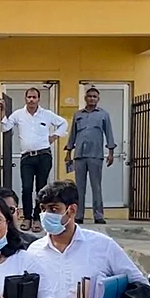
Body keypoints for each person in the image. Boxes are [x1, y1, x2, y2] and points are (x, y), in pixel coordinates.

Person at [0, 88, 68, 234]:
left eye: (34, 97)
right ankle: (27, 217)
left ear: (38, 99)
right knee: (27, 187)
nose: (31, 99)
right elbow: (5, 127)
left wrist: (54, 137)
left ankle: (38, 218)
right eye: (29, 97)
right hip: (27, 157)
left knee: (41, 188)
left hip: (44, 155)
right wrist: (3, 110)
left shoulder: (47, 114)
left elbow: (64, 123)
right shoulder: (18, 114)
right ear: (25, 98)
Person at [64, 87, 116, 225]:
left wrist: (111, 153)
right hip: (79, 155)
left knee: (96, 187)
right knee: (79, 188)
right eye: (90, 96)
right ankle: (79, 215)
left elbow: (109, 133)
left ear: (98, 99)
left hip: (96, 155)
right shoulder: (78, 115)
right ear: (85, 98)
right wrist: (68, 152)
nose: (92, 98)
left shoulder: (103, 115)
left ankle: (98, 215)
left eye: (94, 96)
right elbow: (72, 135)